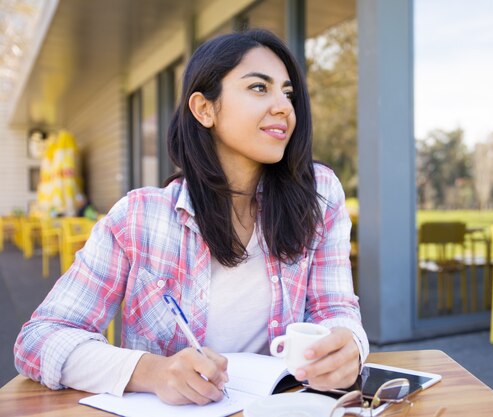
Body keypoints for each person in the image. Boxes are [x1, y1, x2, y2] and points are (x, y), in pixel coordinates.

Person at [14, 28, 368, 406]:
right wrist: (150, 372)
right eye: (259, 88)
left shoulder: (318, 194)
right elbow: (39, 339)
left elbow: (335, 309)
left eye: (288, 93)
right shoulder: (140, 217)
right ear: (204, 109)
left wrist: (349, 345)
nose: (283, 106)